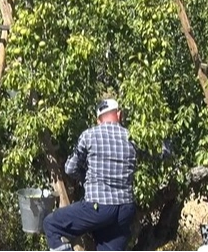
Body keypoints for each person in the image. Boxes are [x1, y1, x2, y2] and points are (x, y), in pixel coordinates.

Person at [42, 98, 137, 252]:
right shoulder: (132, 137)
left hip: (98, 207)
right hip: (125, 210)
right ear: (119, 115)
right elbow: (162, 153)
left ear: (98, 120)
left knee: (52, 225)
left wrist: (85, 177)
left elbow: (70, 168)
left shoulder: (89, 135)